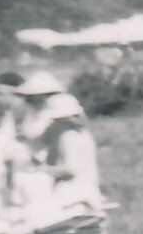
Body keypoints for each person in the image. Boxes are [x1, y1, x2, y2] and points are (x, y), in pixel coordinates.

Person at [12, 71, 104, 222]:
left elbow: (70, 168)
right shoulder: (82, 134)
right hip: (86, 187)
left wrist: (43, 170)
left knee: (34, 210)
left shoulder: (67, 136)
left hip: (75, 191)